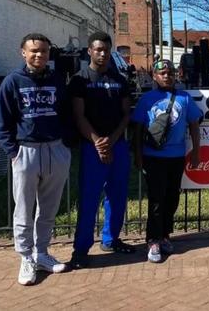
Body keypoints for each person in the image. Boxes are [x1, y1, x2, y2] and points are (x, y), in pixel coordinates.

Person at [0, 33, 71, 285]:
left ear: (49, 54)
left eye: (44, 51)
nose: (39, 55)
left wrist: (65, 145)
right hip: (26, 151)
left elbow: (67, 113)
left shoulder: (57, 80)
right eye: (34, 51)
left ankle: (42, 253)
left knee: (49, 208)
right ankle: (26, 257)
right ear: (23, 53)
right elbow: (2, 122)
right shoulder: (13, 81)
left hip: (55, 149)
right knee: (24, 208)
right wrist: (13, 153)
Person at [69, 32, 135, 269]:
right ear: (89, 51)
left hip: (117, 145)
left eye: (106, 49)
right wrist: (98, 142)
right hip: (91, 147)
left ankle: (111, 239)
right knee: (89, 199)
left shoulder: (120, 80)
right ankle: (81, 249)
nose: (103, 53)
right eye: (98, 49)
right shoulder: (80, 79)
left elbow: (126, 113)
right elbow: (79, 115)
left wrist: (112, 140)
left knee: (117, 197)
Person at [131, 59, 202, 263]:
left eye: (170, 73)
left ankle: (164, 236)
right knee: (156, 199)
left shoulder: (184, 98)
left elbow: (194, 125)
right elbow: (138, 129)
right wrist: (138, 155)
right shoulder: (147, 99)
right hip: (153, 157)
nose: (167, 76)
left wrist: (196, 152)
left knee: (172, 198)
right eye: (162, 73)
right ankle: (152, 239)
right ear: (154, 76)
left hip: (176, 157)